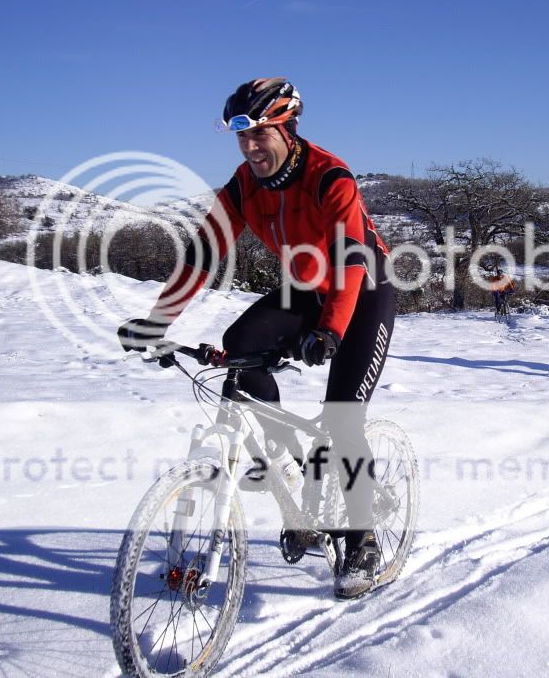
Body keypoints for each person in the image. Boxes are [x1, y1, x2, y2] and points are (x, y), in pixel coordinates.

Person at [118, 78, 395, 600]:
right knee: (240, 347)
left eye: (259, 134)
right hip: (305, 287)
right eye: (240, 138)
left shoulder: (327, 175)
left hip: (362, 291)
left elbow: (351, 259)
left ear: (287, 128)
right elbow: (203, 253)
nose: (249, 147)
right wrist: (158, 321)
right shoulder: (244, 185)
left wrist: (331, 331)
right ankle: (291, 471)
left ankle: (361, 541)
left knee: (342, 418)